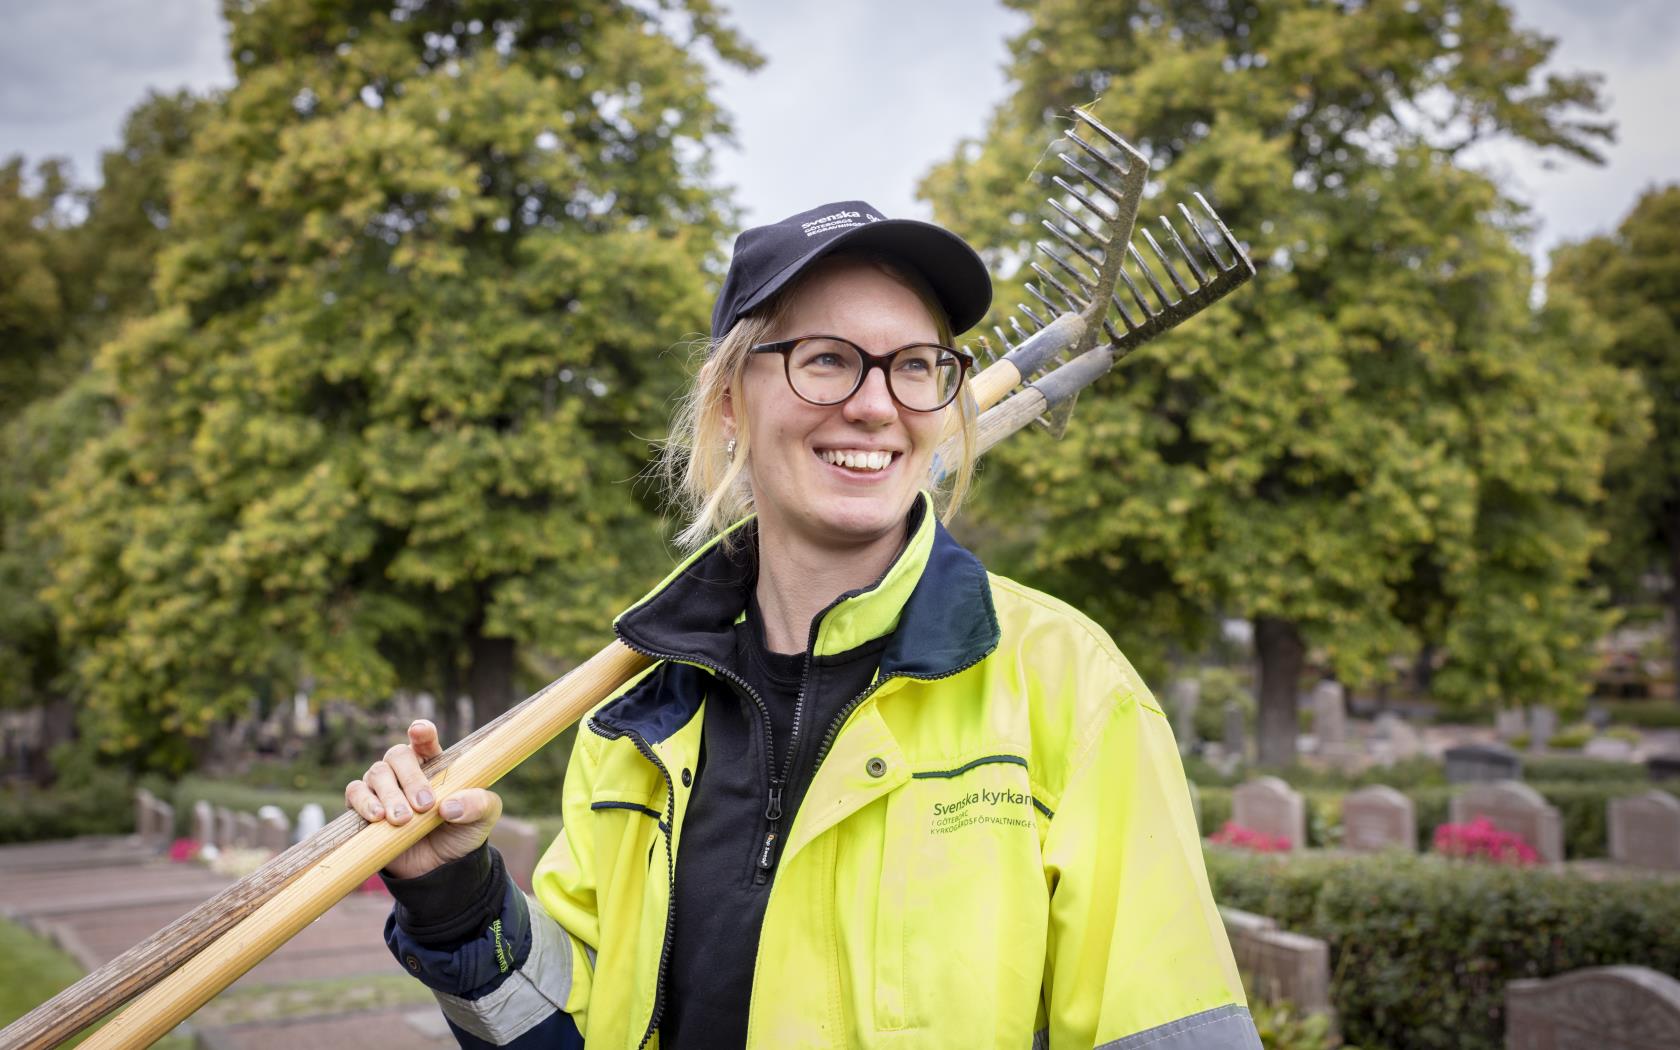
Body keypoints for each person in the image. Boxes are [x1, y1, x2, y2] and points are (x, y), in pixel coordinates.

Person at [346, 201, 1259, 1050]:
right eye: (826, 358)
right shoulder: (634, 723)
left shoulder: (1069, 690)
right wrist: (454, 902)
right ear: (731, 399)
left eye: (914, 366)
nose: (873, 403)